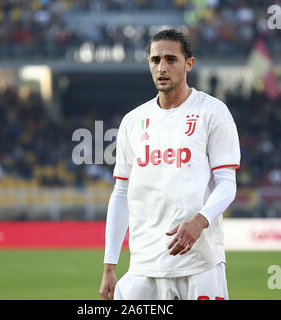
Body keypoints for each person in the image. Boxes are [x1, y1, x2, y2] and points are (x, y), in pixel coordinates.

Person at [99, 29, 241, 300]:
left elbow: (227, 184)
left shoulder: (212, 112)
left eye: (171, 59)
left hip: (200, 264)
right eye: (155, 60)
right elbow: (120, 194)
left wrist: (200, 221)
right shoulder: (133, 121)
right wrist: (110, 266)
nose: (162, 67)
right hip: (144, 266)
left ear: (189, 64)